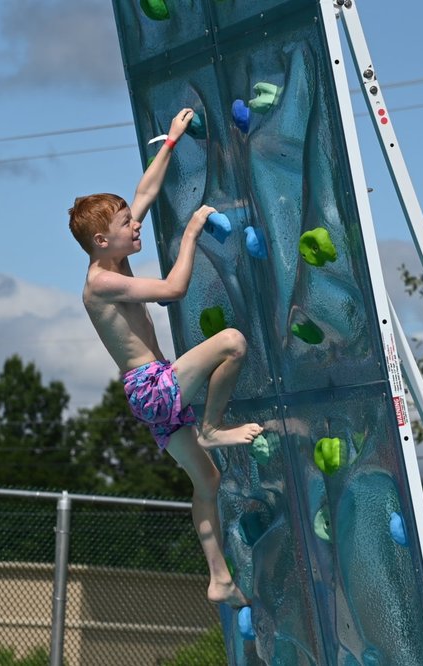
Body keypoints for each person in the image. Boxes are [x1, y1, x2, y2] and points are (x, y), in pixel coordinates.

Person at [68, 107, 261, 607]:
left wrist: (171, 144)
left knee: (209, 480)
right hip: (152, 385)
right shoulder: (102, 281)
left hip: (150, 396)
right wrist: (193, 231)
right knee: (233, 342)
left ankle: (218, 577)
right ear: (100, 240)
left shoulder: (115, 257)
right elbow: (174, 289)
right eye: (126, 224)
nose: (136, 226)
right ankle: (214, 426)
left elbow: (145, 193)